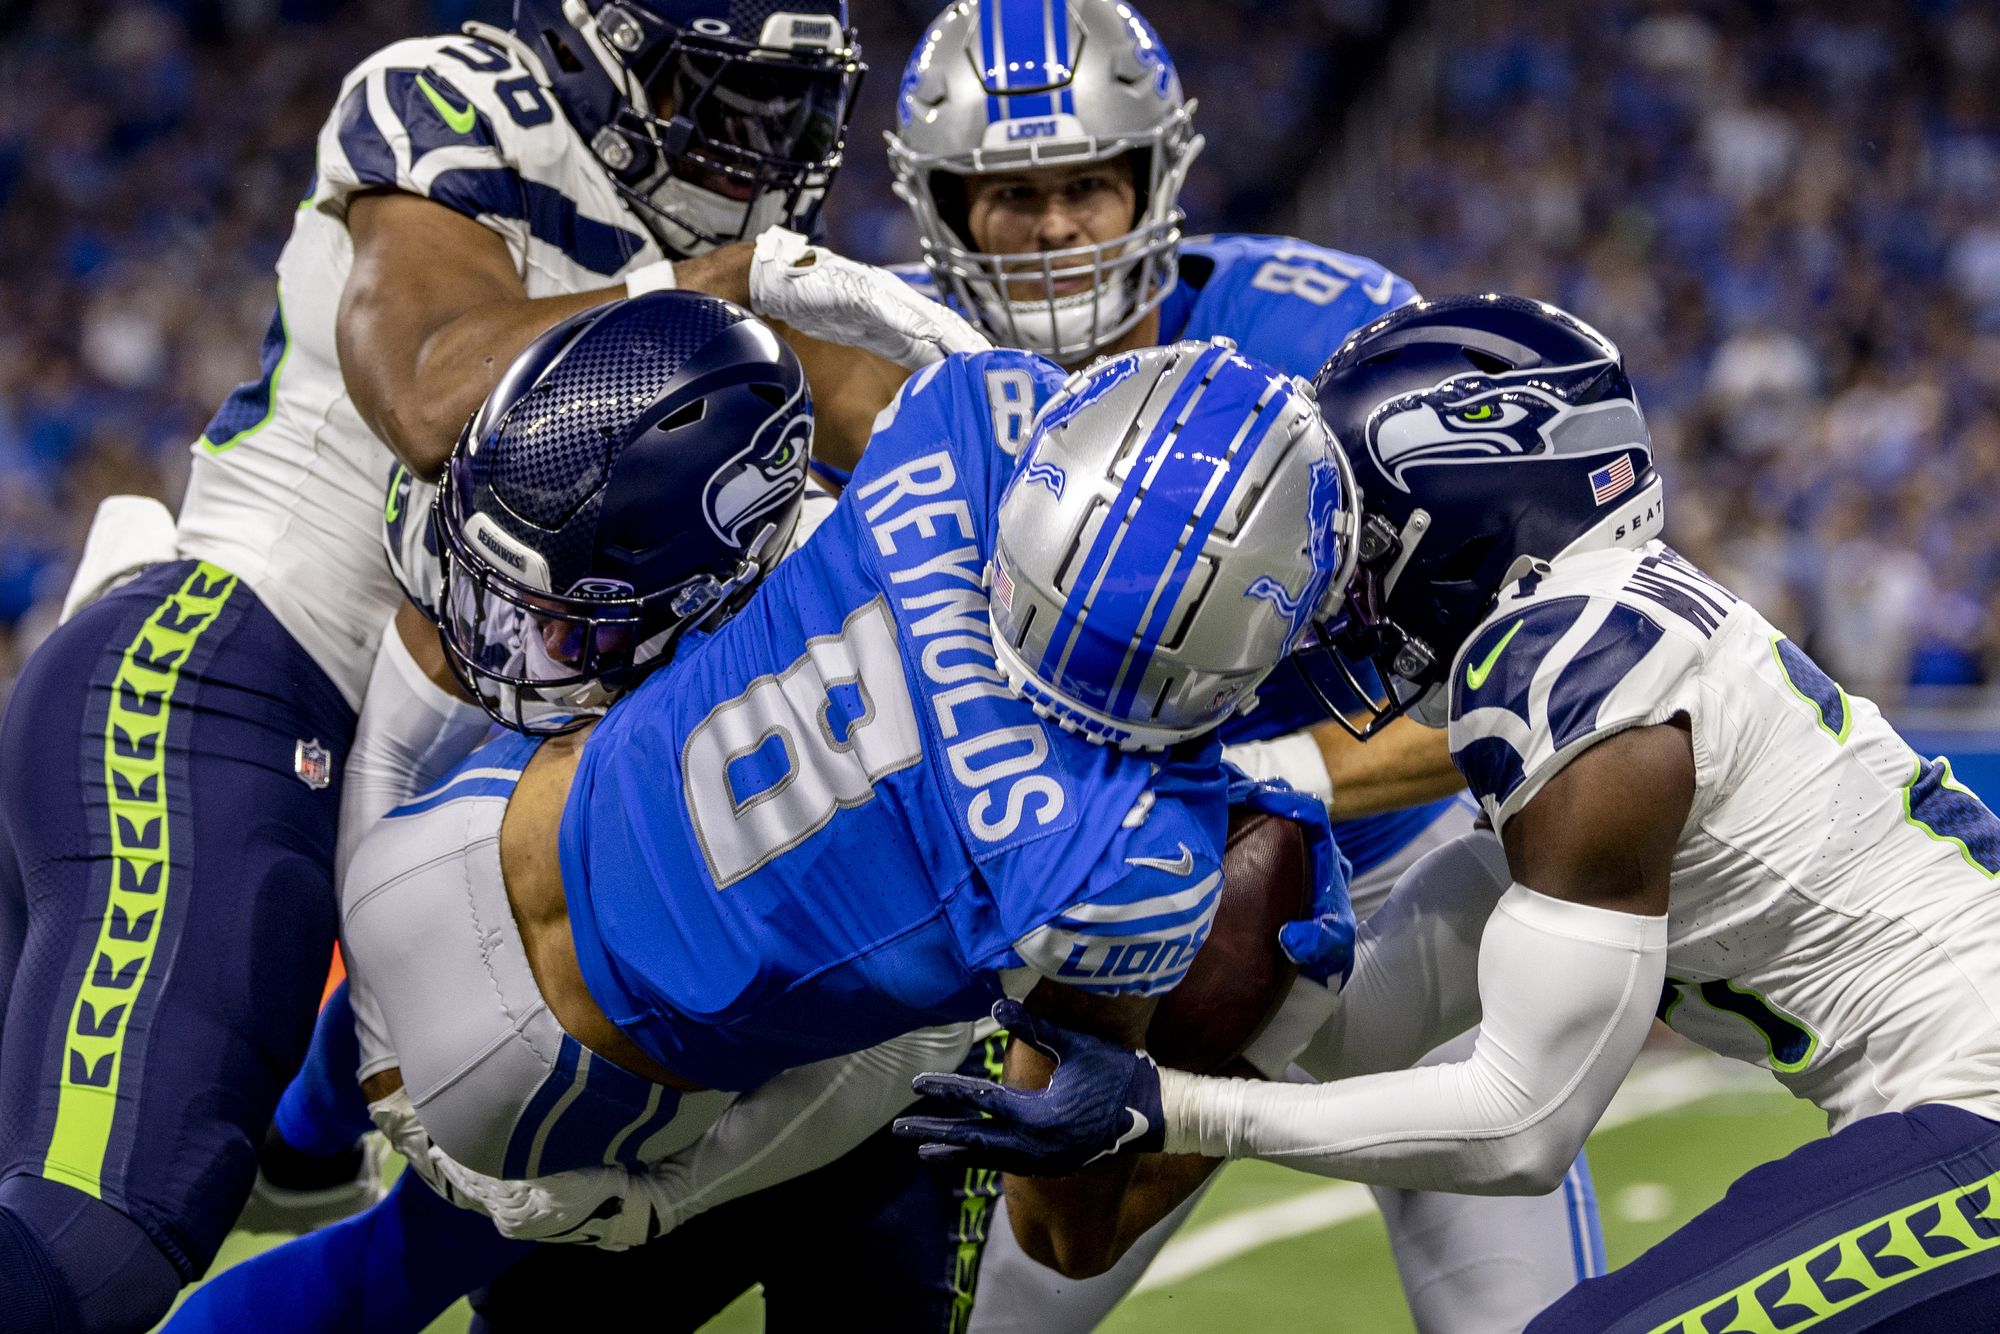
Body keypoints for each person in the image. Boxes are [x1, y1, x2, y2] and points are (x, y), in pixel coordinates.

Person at [166, 293, 1362, 1331]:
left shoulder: (969, 415)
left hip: (451, 844)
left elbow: (889, 360)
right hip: (546, 1086)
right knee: (916, 1044)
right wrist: (1237, 1064)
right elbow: (1063, 1233)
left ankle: (306, 1129)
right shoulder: (1127, 863)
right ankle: (349, 1148)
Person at [908, 292, 2000, 1331]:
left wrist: (1167, 1106)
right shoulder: (1602, 650)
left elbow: (1518, 1126)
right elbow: (1364, 1033)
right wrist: (1153, 982)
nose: (1339, 592)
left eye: (1364, 547)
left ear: (1468, 503)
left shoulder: (1570, 662)